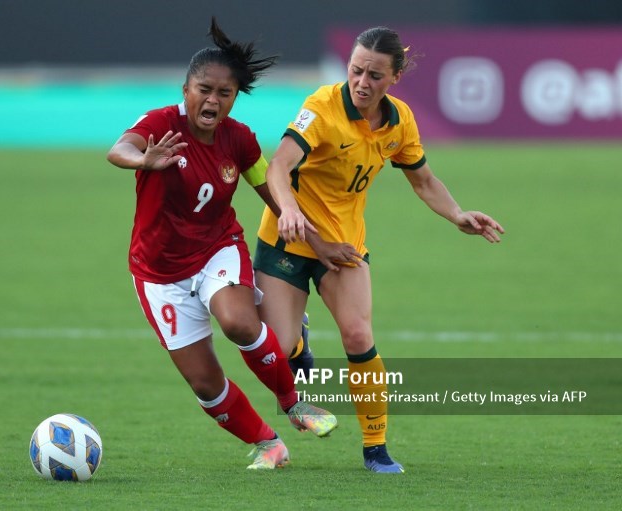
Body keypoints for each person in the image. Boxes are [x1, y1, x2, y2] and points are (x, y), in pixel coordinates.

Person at [253, 26, 505, 473]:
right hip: (287, 239)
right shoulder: (322, 108)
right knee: (280, 346)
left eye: (374, 75)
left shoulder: (400, 121)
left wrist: (457, 214)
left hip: (345, 245)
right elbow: (279, 166)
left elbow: (423, 180)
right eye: (355, 70)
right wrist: (289, 210)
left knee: (358, 336)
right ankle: (298, 344)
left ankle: (376, 448)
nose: (362, 82)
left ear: (394, 77)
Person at [106, 18, 337, 470]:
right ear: (186, 89)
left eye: (223, 93)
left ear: (234, 97)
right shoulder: (161, 124)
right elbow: (118, 149)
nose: (212, 100)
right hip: (158, 273)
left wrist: (319, 243)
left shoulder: (239, 139)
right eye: (203, 89)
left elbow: (273, 193)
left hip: (216, 249)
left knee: (238, 324)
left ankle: (294, 403)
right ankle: (268, 444)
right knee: (205, 382)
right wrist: (143, 160)